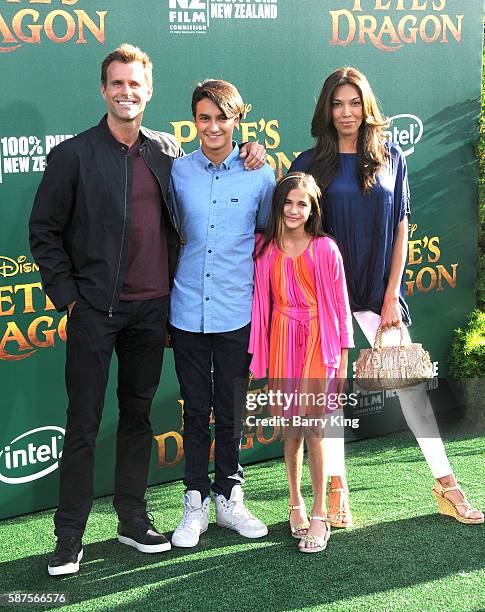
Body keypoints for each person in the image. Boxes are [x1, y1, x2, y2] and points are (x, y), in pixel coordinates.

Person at [29, 44, 267, 576]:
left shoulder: (165, 153)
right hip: (94, 312)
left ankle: (132, 521)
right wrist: (69, 299)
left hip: (151, 314)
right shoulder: (73, 155)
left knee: (137, 418)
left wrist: (252, 149)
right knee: (84, 423)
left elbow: (215, 172)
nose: (126, 92)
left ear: (148, 90)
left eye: (135, 84)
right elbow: (43, 233)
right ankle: (69, 535)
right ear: (104, 89)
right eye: (117, 83)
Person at [289, 66, 484, 527]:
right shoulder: (309, 162)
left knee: (412, 391)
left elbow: (401, 227)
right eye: (337, 104)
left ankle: (447, 484)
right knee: (329, 397)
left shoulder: (392, 157)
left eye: (354, 102)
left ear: (367, 106)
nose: (346, 112)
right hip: (327, 297)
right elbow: (290, 227)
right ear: (326, 109)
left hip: (381, 293)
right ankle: (336, 487)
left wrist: (392, 293)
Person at [169, 79, 275, 548]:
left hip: (237, 310)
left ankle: (230, 496)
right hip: (186, 309)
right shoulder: (176, 172)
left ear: (237, 120)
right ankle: (195, 500)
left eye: (222, 117)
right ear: (194, 122)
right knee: (195, 410)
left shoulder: (260, 174)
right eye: (204, 118)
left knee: (230, 410)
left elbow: (268, 239)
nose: (213, 127)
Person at [249, 172, 354, 552]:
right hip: (280, 340)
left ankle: (320, 514)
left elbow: (341, 309)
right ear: (279, 206)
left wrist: (342, 361)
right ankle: (294, 502)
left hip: (318, 341)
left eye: (302, 204)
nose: (294, 210)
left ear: (312, 210)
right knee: (289, 428)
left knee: (313, 429)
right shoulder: (264, 249)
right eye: (288, 203)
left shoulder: (325, 249)